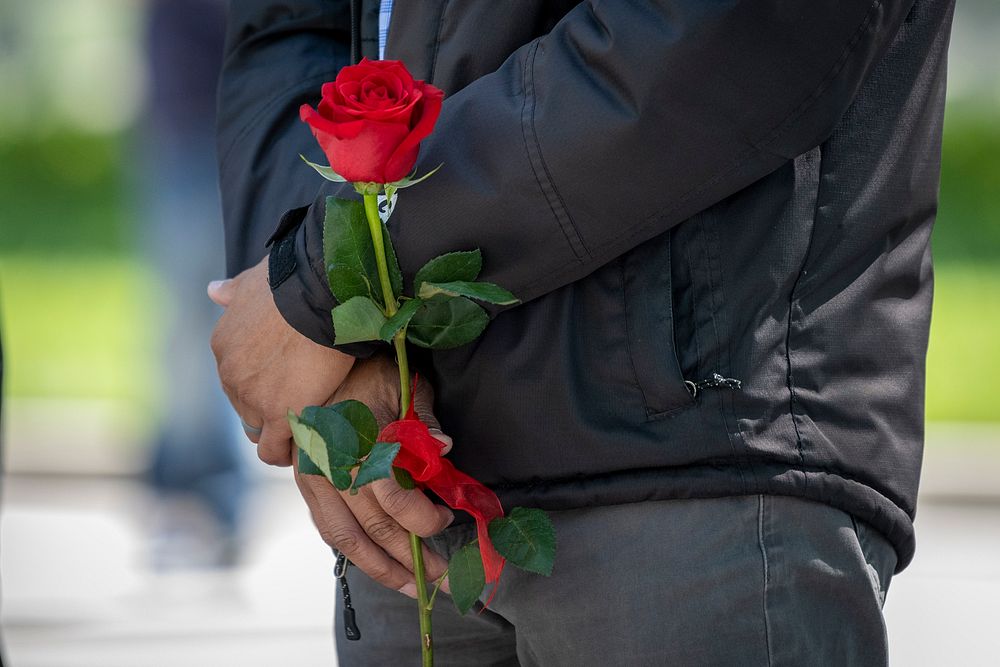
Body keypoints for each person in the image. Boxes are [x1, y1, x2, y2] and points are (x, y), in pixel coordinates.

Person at [209, 0, 956, 664]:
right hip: (403, 481)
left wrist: (330, 283)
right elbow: (289, 27)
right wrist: (324, 320)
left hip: (691, 468)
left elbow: (722, 32)